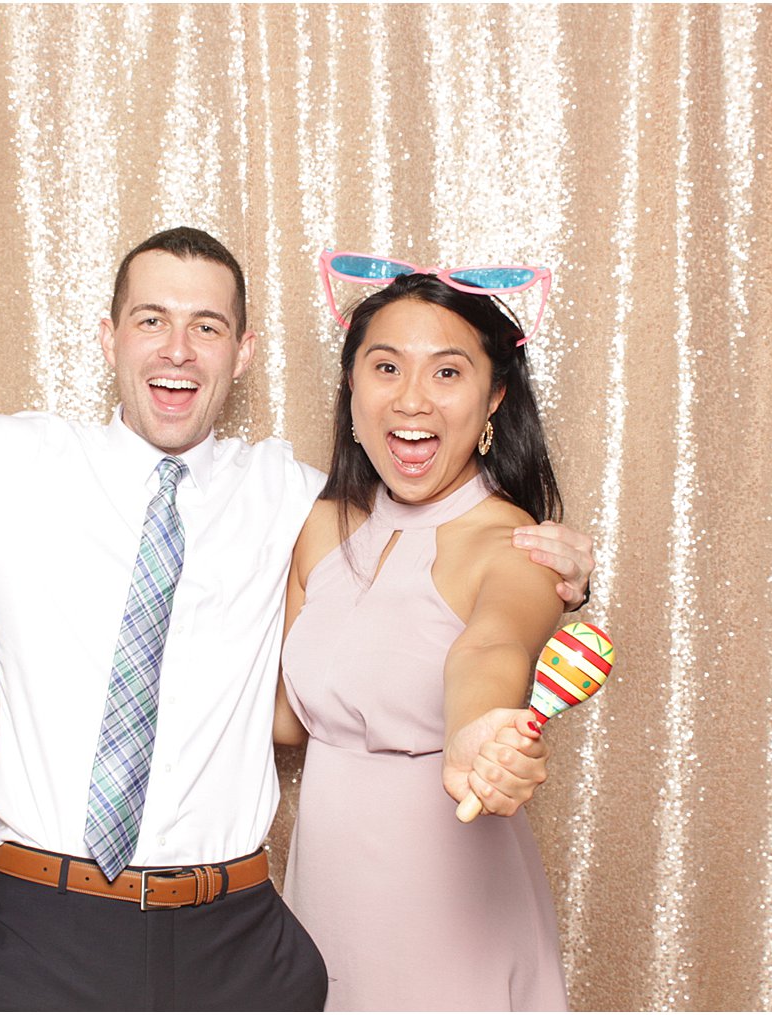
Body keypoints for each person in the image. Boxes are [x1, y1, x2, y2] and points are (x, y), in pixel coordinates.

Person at [0, 93, 595, 1010]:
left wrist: (550, 559)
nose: (177, 348)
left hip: (235, 939)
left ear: (241, 354)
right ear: (109, 337)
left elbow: (451, 571)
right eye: (151, 319)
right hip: (41, 928)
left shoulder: (294, 499)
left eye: (206, 326)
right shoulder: (13, 466)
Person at [274, 265, 574, 1010]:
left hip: (450, 908)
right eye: (386, 368)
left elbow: (491, 649)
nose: (412, 398)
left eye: (448, 371)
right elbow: (283, 719)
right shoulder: (319, 527)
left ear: (494, 397)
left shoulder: (516, 543)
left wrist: (478, 738)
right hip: (324, 901)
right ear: (351, 392)